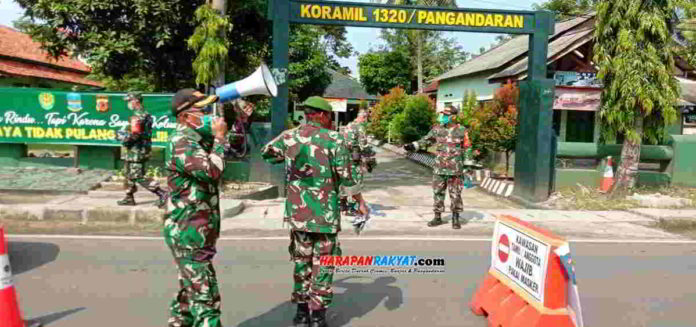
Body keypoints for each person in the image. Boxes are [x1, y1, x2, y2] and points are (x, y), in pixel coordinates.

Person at [261, 96, 369, 327]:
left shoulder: (290, 136)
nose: (330, 120)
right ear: (321, 115)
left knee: (302, 262)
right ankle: (318, 316)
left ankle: (301, 315)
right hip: (325, 216)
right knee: (324, 263)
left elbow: (267, 153)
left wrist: (293, 156)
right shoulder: (334, 139)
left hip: (298, 215)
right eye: (329, 116)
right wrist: (360, 202)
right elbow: (347, 178)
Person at [163, 88, 227, 327]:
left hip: (196, 229)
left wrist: (240, 122)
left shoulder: (196, 139)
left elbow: (232, 149)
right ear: (186, 116)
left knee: (188, 290)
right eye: (203, 110)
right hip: (189, 231)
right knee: (205, 298)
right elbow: (212, 171)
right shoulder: (182, 142)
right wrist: (220, 139)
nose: (209, 115)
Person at [404, 105, 471, 229]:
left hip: (455, 169)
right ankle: (437, 217)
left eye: (446, 115)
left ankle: (455, 218)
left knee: (455, 194)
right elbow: (426, 140)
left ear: (454, 116)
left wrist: (467, 165)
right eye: (443, 114)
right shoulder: (437, 129)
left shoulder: (462, 130)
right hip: (439, 167)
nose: (443, 117)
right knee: (438, 192)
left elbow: (467, 147)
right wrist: (413, 145)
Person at [117, 91, 168, 208]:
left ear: (136, 101)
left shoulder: (139, 116)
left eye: (129, 101)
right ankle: (129, 197)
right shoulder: (145, 114)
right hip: (138, 150)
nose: (128, 104)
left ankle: (162, 193)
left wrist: (122, 137)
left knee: (137, 176)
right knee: (129, 174)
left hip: (136, 151)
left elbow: (135, 135)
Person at [339, 109, 377, 214]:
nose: (366, 121)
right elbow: (363, 145)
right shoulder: (360, 128)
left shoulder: (348, 126)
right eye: (366, 119)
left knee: (345, 180)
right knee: (356, 182)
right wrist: (371, 156)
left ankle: (342, 205)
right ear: (363, 118)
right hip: (354, 159)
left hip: (343, 158)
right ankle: (353, 206)